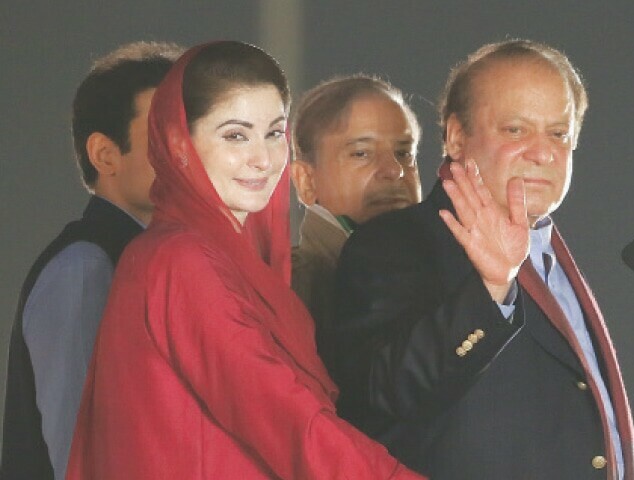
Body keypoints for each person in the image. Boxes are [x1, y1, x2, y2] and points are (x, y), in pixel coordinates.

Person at [328, 40, 634, 479]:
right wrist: (491, 288)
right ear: (456, 137)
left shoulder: (548, 254)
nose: (543, 152)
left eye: (559, 133)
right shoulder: (395, 243)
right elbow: (385, 395)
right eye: (516, 130)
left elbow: (584, 442)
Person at [65, 41, 422, 480]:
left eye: (274, 133)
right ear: (179, 143)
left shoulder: (220, 258)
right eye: (235, 135)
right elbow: (285, 419)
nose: (263, 159)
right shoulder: (180, 260)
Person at [1, 41, 183, 480]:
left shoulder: (155, 261)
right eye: (166, 135)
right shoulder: (84, 269)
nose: (189, 156)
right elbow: (83, 458)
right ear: (104, 154)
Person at [290, 75, 421, 343]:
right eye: (361, 153)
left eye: (404, 153)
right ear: (306, 181)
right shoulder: (290, 293)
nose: (394, 171)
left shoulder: (449, 275)